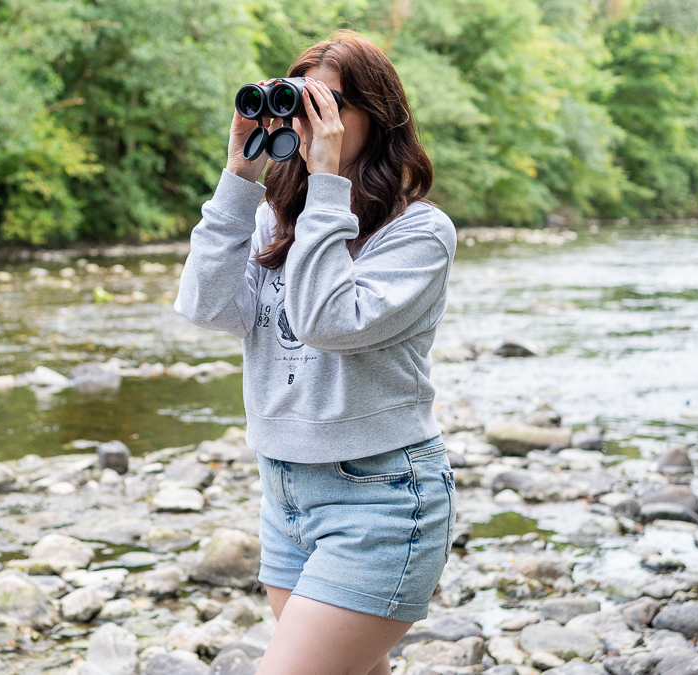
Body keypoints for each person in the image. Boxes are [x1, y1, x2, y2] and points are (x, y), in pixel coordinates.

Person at [174, 30, 457, 675]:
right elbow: (206, 307)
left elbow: (327, 321)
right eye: (299, 104)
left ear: (376, 119)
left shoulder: (420, 232)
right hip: (287, 494)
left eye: (327, 106)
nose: (307, 121)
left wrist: (327, 186)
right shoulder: (280, 221)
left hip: (380, 498)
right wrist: (239, 179)